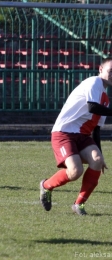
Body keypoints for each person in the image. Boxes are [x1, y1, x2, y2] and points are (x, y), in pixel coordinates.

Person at [39, 57, 112, 216]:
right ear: (100, 70)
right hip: (64, 132)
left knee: (97, 162)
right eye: (110, 71)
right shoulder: (94, 82)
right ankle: (46, 186)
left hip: (83, 136)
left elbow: (97, 129)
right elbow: (92, 107)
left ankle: (79, 204)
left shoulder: (105, 100)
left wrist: (99, 155)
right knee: (75, 171)